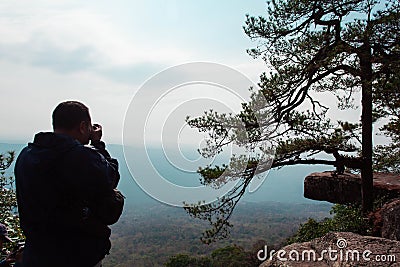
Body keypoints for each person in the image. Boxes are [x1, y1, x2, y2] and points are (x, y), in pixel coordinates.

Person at [14, 101, 124, 267]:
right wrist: (98, 144)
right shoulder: (78, 157)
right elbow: (110, 177)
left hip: (36, 255)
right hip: (76, 255)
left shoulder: (27, 155)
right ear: (82, 126)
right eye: (88, 128)